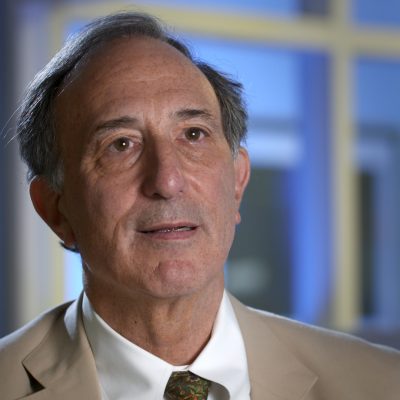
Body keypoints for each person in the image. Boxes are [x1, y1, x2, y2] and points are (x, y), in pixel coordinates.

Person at [0, 12, 399, 400]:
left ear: (238, 181)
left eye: (193, 134)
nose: (167, 181)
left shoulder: (382, 384)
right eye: (121, 144)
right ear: (55, 208)